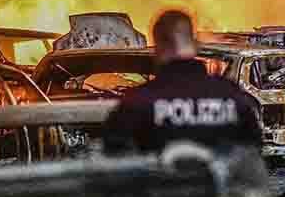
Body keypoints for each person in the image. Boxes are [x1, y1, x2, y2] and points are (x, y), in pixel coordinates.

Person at [103, 9, 261, 154]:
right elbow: (253, 154)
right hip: (217, 184)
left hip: (161, 184)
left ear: (158, 48)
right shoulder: (231, 97)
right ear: (194, 44)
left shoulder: (136, 102)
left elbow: (117, 159)